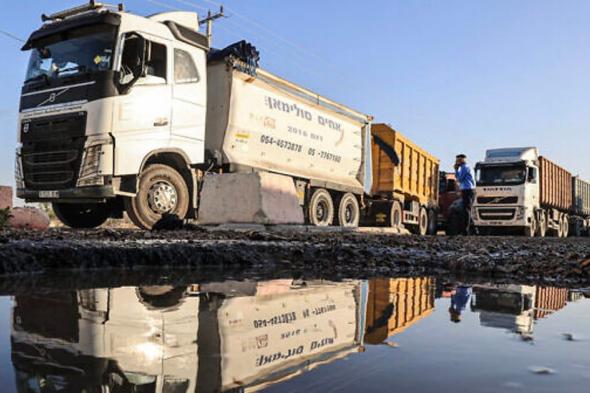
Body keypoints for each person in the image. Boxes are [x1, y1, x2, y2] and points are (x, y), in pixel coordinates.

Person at [454, 154, 476, 234]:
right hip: (469, 190)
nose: (456, 162)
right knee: (467, 209)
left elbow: (459, 178)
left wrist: (456, 170)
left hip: (468, 190)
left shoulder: (464, 167)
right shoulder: (467, 167)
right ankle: (474, 230)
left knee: (466, 210)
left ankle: (465, 231)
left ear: (462, 160)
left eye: (458, 160)